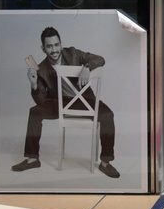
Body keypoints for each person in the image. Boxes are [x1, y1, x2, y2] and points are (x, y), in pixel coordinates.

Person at [12, 27, 119, 178]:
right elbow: (41, 101)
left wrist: (87, 67)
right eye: (49, 46)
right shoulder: (41, 68)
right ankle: (32, 159)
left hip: (85, 101)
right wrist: (34, 85)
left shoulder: (73, 53)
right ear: (43, 48)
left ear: (61, 44)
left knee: (107, 115)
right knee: (34, 112)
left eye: (56, 45)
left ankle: (106, 163)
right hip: (59, 103)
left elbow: (100, 59)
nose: (54, 50)